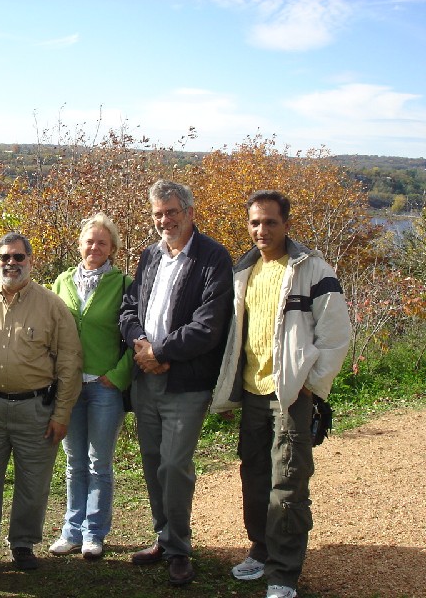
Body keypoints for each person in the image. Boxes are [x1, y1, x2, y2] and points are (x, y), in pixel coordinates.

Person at [211, 190, 351, 598]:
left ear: (287, 223)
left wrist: (311, 383)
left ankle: (284, 573)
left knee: (288, 481)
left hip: (290, 395)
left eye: (270, 222)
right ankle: (260, 549)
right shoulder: (246, 269)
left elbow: (336, 334)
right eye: (255, 222)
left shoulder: (311, 269)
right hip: (254, 392)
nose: (261, 230)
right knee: (253, 474)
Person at [119, 179, 233, 585]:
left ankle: (180, 549)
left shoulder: (213, 258)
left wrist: (160, 353)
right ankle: (164, 538)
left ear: (189, 213)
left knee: (174, 465)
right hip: (145, 380)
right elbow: (129, 308)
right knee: (152, 463)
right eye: (157, 214)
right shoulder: (149, 256)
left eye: (171, 212)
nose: (164, 220)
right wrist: (140, 343)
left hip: (185, 382)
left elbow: (209, 326)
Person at [0, 232, 82, 575]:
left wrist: (62, 414)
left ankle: (24, 544)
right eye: (4, 257)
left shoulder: (51, 305)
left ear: (31, 261)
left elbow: (69, 363)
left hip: (36, 409)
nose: (11, 263)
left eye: (18, 257)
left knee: (33, 481)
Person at [47, 213, 133, 560]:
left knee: (99, 464)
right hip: (69, 388)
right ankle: (71, 530)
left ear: (112, 247)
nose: (94, 247)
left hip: (103, 387)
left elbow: (135, 335)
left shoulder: (124, 284)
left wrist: (117, 376)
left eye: (102, 242)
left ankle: (94, 533)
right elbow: (51, 330)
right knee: (73, 463)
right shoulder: (62, 281)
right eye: (89, 241)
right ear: (79, 244)